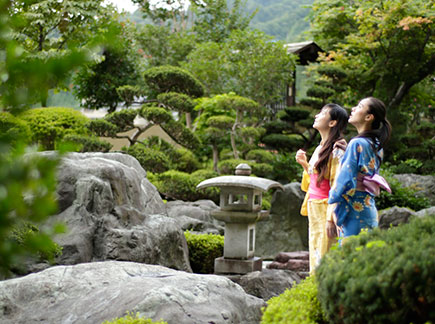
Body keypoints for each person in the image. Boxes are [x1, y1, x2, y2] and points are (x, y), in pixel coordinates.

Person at [328, 97, 392, 240]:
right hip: (368, 206)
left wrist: (332, 199)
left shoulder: (356, 143)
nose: (353, 109)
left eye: (359, 106)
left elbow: (345, 180)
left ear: (369, 117)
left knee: (350, 254)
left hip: (353, 210)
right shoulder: (375, 144)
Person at [296, 103, 348, 273]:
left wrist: (331, 217)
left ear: (332, 122)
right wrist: (305, 165)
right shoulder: (321, 147)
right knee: (316, 250)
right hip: (315, 206)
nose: (316, 116)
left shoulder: (338, 149)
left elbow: (337, 185)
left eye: (322, 113)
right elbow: (312, 182)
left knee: (326, 252)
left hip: (327, 207)